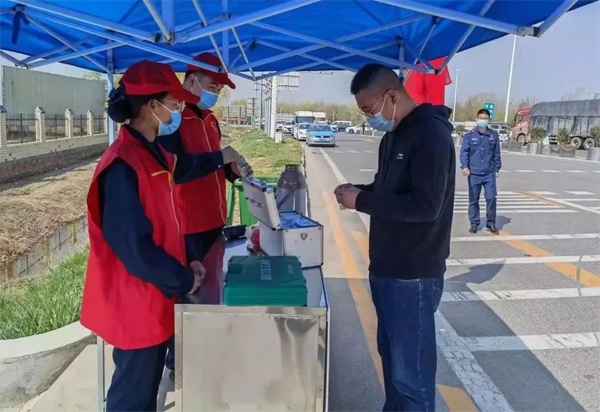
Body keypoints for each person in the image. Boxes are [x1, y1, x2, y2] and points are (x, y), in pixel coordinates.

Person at [80, 60, 241, 412]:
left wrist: (189, 259)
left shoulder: (154, 153)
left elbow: (169, 218)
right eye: (175, 101)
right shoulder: (122, 164)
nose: (180, 108)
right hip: (134, 302)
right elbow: (134, 248)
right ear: (152, 106)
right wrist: (183, 279)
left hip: (155, 295)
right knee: (132, 396)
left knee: (147, 389)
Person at [334, 63, 455, 412]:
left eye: (368, 110)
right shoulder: (392, 136)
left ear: (391, 96)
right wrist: (359, 191)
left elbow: (425, 205)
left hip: (412, 274)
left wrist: (362, 201)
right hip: (386, 268)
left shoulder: (430, 135)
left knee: (411, 377)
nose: (368, 118)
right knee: (392, 364)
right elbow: (387, 190)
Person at [156, 52, 247, 378]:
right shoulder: (174, 120)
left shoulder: (210, 120)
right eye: (212, 87)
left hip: (214, 221)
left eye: (219, 90)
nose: (215, 94)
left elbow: (213, 166)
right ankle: (179, 362)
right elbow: (178, 170)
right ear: (192, 80)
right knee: (187, 295)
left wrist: (232, 169)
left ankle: (205, 353)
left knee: (210, 293)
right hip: (188, 225)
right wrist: (220, 157)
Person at [460, 109, 502, 234]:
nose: (483, 120)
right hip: (474, 173)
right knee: (474, 200)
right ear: (477, 119)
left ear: (489, 120)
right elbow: (464, 152)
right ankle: (474, 223)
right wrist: (465, 167)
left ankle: (491, 223)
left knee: (491, 198)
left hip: (489, 173)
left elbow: (496, 154)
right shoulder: (469, 135)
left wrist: (497, 168)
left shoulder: (493, 135)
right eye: (481, 118)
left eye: (485, 118)